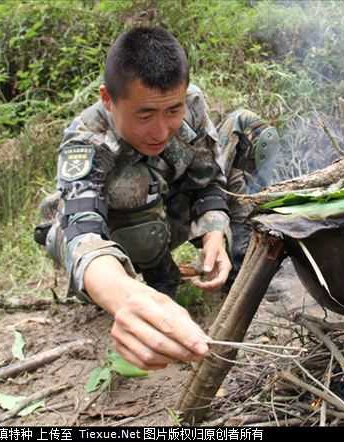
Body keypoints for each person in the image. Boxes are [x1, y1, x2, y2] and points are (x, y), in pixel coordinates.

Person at [35, 26, 280, 371]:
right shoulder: (85, 140)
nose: (162, 130)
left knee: (248, 128)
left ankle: (240, 264)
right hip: (105, 227)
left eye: (172, 112)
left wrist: (214, 235)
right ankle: (157, 276)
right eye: (145, 115)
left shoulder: (191, 103)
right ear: (108, 99)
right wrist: (124, 297)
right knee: (130, 188)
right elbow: (83, 230)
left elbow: (206, 180)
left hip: (167, 201)